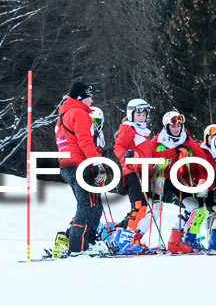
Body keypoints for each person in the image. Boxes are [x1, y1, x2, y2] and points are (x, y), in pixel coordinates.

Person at [112, 100, 185, 254]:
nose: (141, 117)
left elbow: (153, 155)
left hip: (145, 173)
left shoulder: (143, 132)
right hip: (133, 172)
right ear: (131, 114)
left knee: (144, 208)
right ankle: (127, 241)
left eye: (144, 114)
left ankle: (121, 236)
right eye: (138, 114)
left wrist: (174, 151)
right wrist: (127, 157)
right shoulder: (128, 129)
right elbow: (119, 147)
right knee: (140, 206)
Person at [53, 81, 108, 256]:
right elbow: (85, 141)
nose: (92, 100)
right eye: (89, 96)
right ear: (81, 97)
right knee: (88, 204)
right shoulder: (79, 113)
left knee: (93, 204)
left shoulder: (62, 116)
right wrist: (97, 164)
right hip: (80, 165)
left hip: (66, 166)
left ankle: (87, 241)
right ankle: (78, 245)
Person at [151, 111, 206, 253]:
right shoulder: (158, 140)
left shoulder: (186, 139)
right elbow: (149, 156)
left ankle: (175, 241)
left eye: (179, 125)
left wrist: (202, 181)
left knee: (195, 208)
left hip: (177, 179)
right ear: (166, 126)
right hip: (160, 178)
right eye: (173, 126)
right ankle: (134, 239)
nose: (176, 129)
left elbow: (201, 159)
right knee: (155, 210)